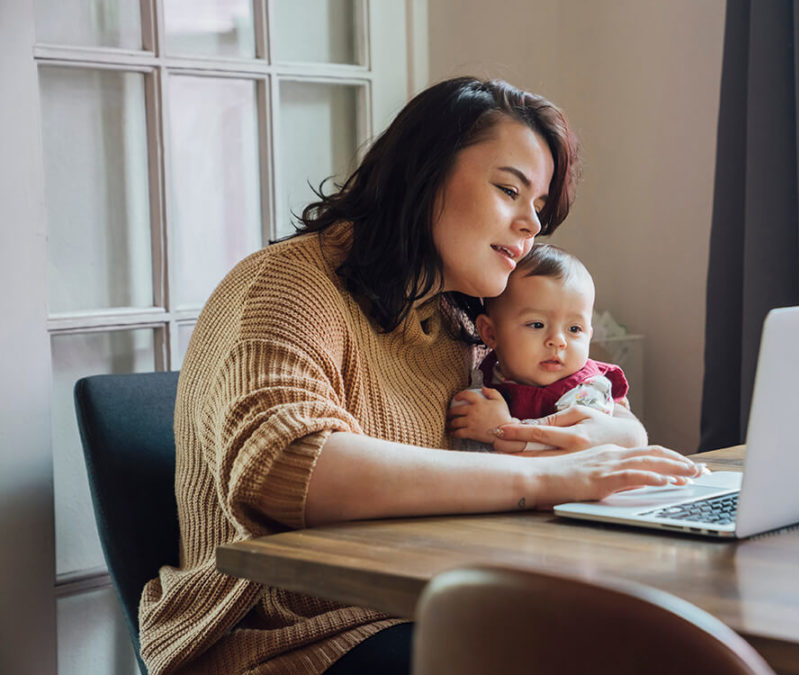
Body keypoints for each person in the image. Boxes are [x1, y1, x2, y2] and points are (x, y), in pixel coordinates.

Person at [138, 77, 704, 675]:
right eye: (509, 190)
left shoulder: (454, 323)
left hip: (423, 602)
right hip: (285, 637)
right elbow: (286, 468)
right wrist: (547, 476)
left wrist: (603, 442)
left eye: (538, 208)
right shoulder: (286, 287)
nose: (530, 225)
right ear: (424, 174)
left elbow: (616, 425)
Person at [448, 243, 629, 453]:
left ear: (589, 335)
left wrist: (501, 429)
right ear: (490, 333)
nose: (558, 341)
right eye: (537, 325)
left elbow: (574, 448)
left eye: (574, 328)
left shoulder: (585, 391)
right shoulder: (487, 376)